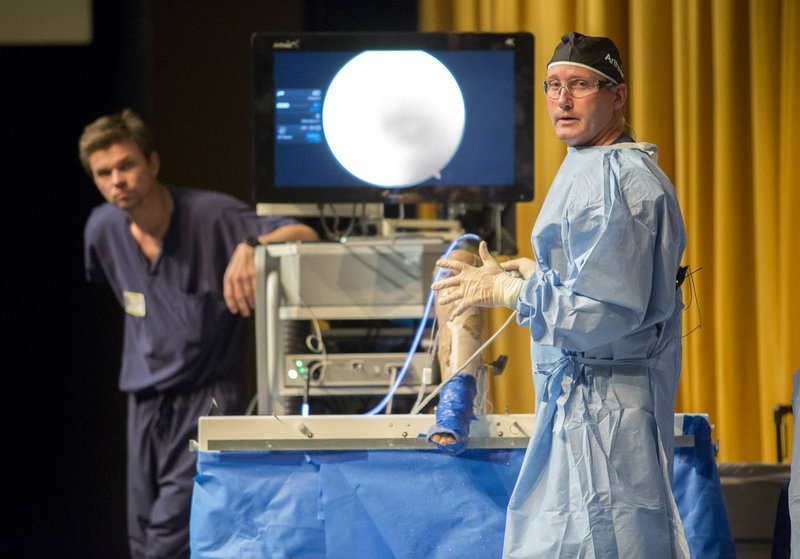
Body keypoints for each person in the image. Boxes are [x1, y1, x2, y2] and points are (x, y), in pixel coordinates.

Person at [432, 32, 690, 558]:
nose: (563, 100)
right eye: (553, 85)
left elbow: (605, 312)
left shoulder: (619, 180)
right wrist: (536, 272)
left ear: (617, 96)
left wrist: (512, 290)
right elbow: (594, 274)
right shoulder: (589, 165)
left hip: (607, 417)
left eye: (580, 85)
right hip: (581, 408)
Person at [79, 108, 318, 559]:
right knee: (142, 530)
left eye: (126, 165)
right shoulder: (102, 230)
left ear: (152, 163)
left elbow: (305, 232)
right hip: (144, 401)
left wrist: (252, 248)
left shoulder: (210, 216)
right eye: (103, 173)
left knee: (169, 538)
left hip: (206, 397)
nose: (118, 181)